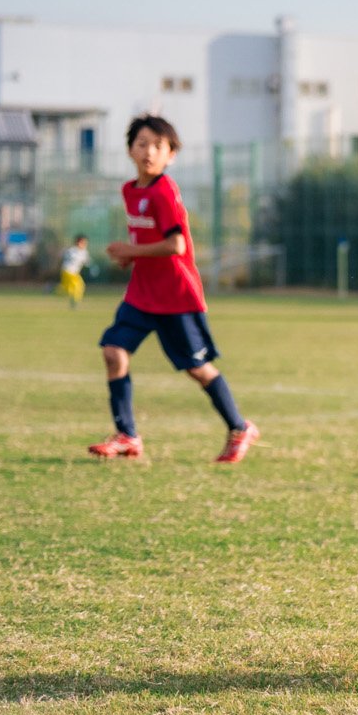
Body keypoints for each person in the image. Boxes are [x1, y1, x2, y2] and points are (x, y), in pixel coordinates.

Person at [88, 115, 258, 463]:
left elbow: (176, 245)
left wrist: (131, 251)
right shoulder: (130, 190)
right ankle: (128, 436)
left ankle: (239, 427)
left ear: (171, 155)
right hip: (141, 294)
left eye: (158, 146)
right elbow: (148, 240)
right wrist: (132, 258)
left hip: (176, 297)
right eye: (141, 144)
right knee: (113, 352)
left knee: (198, 369)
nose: (149, 151)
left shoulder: (165, 191)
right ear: (130, 150)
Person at [56, 235, 91, 308]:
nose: (84, 244)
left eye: (85, 243)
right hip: (68, 272)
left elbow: (87, 262)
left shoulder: (84, 252)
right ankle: (74, 303)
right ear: (77, 242)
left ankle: (49, 289)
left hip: (73, 273)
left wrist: (92, 268)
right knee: (78, 286)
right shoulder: (72, 251)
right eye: (82, 243)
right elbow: (65, 256)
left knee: (67, 289)